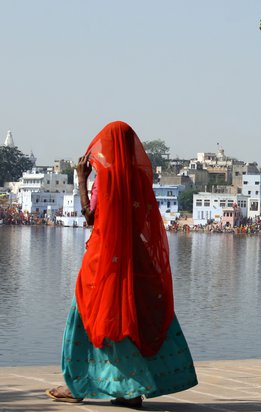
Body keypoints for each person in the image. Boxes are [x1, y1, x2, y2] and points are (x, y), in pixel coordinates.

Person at [46, 121, 197, 407]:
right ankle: (129, 390)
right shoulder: (139, 179)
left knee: (92, 317)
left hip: (103, 260)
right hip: (135, 260)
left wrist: (81, 179)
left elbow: (91, 219)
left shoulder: (106, 178)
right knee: (134, 319)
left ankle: (78, 386)